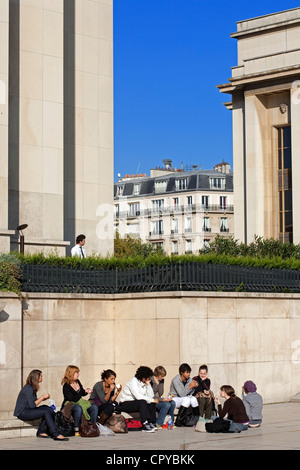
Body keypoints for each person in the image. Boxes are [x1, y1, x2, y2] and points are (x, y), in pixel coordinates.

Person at [14, 369, 68, 441]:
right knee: (46, 411)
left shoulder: (32, 387)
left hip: (28, 410)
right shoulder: (28, 388)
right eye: (41, 376)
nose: (42, 377)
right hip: (23, 412)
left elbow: (32, 402)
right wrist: (42, 397)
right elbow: (32, 405)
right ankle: (55, 433)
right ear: (36, 377)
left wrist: (42, 399)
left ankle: (41, 431)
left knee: (48, 409)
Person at [61, 365, 98, 436]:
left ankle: (92, 427)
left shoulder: (77, 381)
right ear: (71, 373)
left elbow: (81, 393)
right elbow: (73, 399)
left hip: (80, 402)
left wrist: (86, 391)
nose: (78, 374)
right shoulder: (66, 386)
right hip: (70, 405)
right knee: (78, 408)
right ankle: (76, 429)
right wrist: (80, 391)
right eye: (76, 372)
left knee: (94, 407)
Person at [119, 366, 158, 433]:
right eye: (148, 377)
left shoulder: (144, 383)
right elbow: (138, 396)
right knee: (143, 402)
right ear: (143, 377)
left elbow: (151, 396)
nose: (149, 379)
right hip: (126, 403)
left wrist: (148, 385)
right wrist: (151, 400)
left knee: (151, 403)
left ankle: (151, 422)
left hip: (136, 402)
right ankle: (145, 424)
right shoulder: (133, 381)